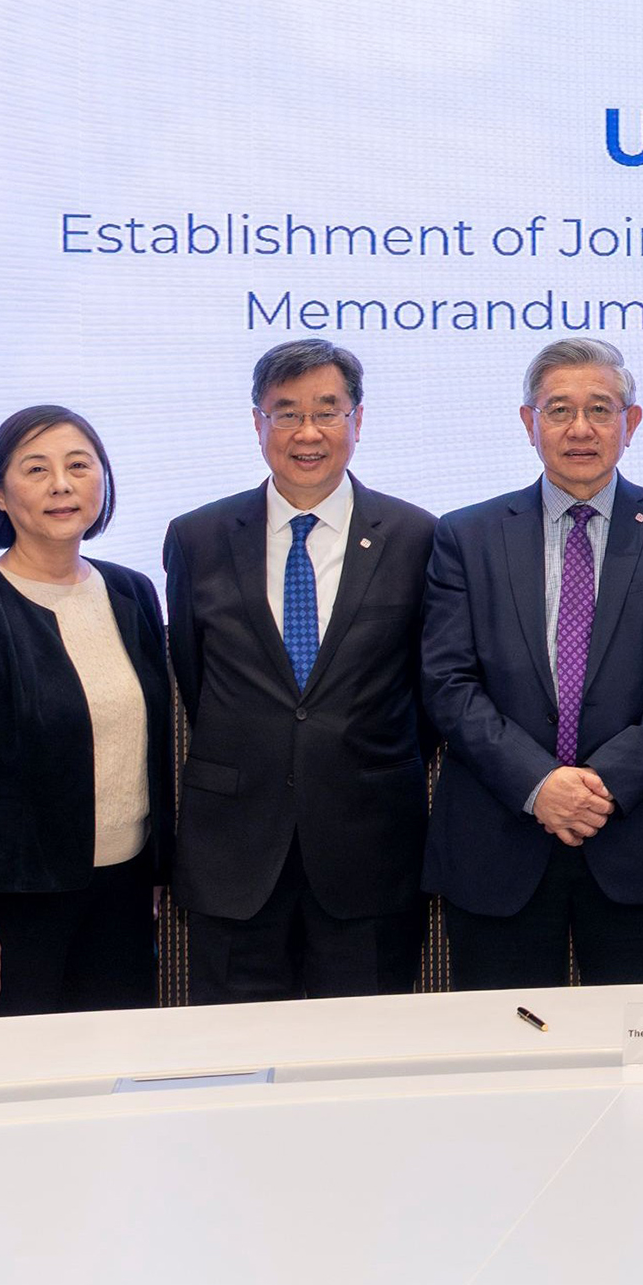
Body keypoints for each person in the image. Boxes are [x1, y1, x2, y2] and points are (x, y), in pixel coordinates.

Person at [422, 337, 643, 988]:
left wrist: (600, 784)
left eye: (600, 409)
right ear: (529, 423)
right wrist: (540, 783)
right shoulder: (465, 536)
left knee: (635, 1059)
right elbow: (447, 682)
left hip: (636, 837)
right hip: (499, 836)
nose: (580, 428)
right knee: (502, 1056)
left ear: (630, 422)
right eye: (559, 410)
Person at [162, 340, 437, 1001]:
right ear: (257, 423)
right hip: (234, 854)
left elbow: (427, 695)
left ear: (358, 420)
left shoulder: (416, 536)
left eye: (327, 410)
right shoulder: (197, 537)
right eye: (285, 413)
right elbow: (195, 678)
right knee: (232, 1063)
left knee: (365, 1069)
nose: (307, 433)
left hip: (369, 852)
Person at [0, 406, 175, 1017]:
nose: (62, 484)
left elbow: (151, 747)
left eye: (79, 466)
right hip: (12, 908)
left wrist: (157, 871)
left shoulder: (132, 591)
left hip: (125, 894)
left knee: (116, 1077)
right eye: (36, 469)